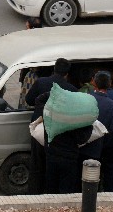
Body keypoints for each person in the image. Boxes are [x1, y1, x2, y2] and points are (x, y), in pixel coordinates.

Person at [25, 58, 77, 195]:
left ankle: (34, 194)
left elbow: (28, 100)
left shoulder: (41, 82)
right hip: (58, 133)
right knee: (52, 165)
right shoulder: (71, 89)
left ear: (54, 69)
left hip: (38, 129)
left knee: (37, 164)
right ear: (67, 74)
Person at [80, 71, 113, 192]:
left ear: (94, 83)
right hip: (107, 149)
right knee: (109, 176)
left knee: (88, 177)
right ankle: (108, 198)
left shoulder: (85, 100)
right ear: (110, 84)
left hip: (87, 147)